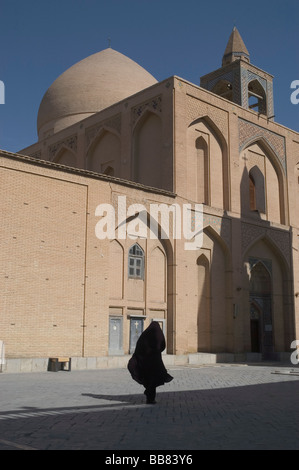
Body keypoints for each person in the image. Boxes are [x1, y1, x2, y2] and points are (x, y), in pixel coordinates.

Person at [127, 321, 173, 404]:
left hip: (145, 362)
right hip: (155, 361)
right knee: (153, 379)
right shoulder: (158, 334)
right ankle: (150, 398)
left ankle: (149, 396)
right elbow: (162, 346)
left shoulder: (145, 335)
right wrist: (156, 351)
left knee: (148, 378)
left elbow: (139, 346)